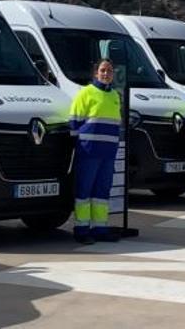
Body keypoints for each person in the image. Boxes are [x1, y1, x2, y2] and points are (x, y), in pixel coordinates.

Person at [69, 58, 121, 244]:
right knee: (85, 190)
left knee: (102, 192)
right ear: (95, 73)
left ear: (113, 74)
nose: (106, 74)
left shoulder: (115, 95)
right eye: (102, 70)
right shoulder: (86, 93)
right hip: (89, 151)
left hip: (107, 153)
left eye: (109, 70)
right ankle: (81, 229)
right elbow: (74, 123)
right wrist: (82, 145)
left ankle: (100, 228)